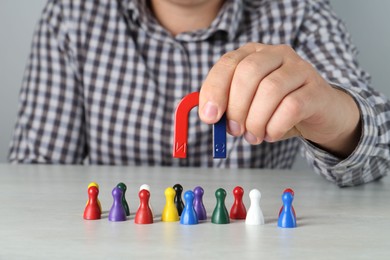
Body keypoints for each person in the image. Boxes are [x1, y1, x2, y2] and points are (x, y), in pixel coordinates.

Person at [8, 0, 390, 187]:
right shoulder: (74, 13)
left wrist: (335, 118)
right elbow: (35, 180)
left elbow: (378, 156)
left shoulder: (299, 11)